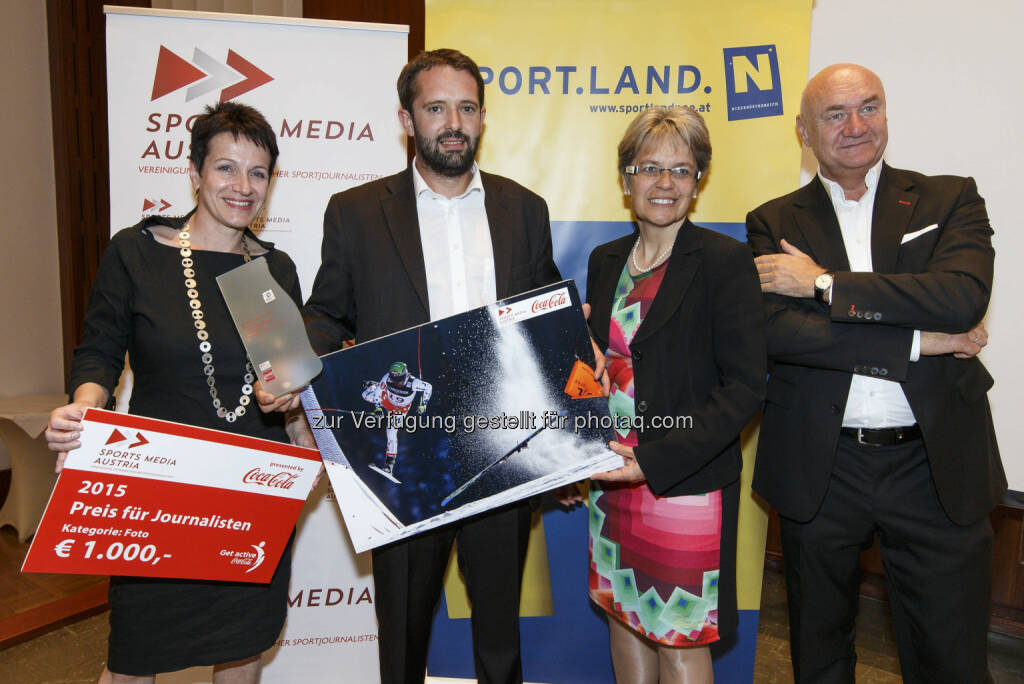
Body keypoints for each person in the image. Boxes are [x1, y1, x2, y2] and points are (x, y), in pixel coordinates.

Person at [277, 48, 563, 684]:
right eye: (435, 108)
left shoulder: (525, 209)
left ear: (483, 118)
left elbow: (541, 314)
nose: (452, 122)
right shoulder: (354, 213)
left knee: (498, 634)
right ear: (407, 120)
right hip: (403, 456)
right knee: (402, 639)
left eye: (465, 108)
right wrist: (298, 363)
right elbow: (328, 314)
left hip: (502, 448)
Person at [748, 63, 1005, 683]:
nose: (856, 125)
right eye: (835, 114)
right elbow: (781, 334)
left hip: (935, 462)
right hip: (821, 464)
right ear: (803, 132)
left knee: (951, 656)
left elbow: (961, 297)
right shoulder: (773, 222)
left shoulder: (949, 198)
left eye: (870, 107)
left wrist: (823, 284)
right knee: (820, 651)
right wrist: (917, 343)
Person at [44, 102, 312, 684]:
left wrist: (290, 398)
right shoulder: (137, 254)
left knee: (242, 652)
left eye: (258, 173)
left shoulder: (277, 270)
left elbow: (288, 381)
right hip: (158, 492)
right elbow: (99, 351)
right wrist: (87, 405)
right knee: (136, 655)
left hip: (251, 495)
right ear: (194, 173)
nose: (243, 187)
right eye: (226, 168)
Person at [585, 107, 766, 683]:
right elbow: (595, 370)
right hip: (612, 477)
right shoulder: (605, 260)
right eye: (650, 167)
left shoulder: (724, 262)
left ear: (698, 181)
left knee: (679, 636)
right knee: (623, 613)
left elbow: (744, 388)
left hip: (682, 484)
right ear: (625, 177)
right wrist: (576, 452)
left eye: (681, 171)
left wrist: (652, 461)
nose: (664, 183)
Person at [362, 360, 433, 481]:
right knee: (365, 395)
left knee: (391, 432)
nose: (397, 383)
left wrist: (423, 405)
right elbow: (379, 395)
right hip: (387, 401)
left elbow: (429, 387)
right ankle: (375, 385)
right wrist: (378, 408)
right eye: (394, 380)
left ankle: (389, 466)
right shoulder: (388, 378)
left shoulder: (413, 383)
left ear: (405, 375)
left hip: (400, 410)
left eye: (399, 380)